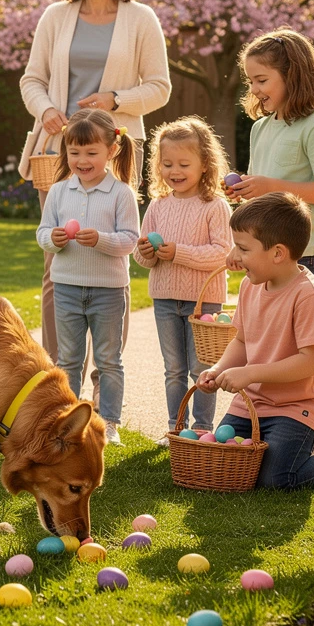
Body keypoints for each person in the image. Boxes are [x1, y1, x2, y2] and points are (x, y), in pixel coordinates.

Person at [18, 0, 171, 378]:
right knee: (57, 258)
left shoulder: (140, 18)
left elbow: (160, 87)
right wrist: (46, 110)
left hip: (118, 150)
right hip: (58, 153)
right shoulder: (55, 17)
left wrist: (116, 100)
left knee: (112, 255)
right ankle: (56, 375)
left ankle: (109, 375)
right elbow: (32, 79)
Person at [197, 193, 314, 496]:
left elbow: (309, 363)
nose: (236, 256)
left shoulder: (309, 296)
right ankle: (304, 452)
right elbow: (243, 341)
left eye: (243, 248)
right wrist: (219, 369)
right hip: (253, 403)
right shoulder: (250, 286)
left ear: (277, 253)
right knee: (231, 464)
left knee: (276, 481)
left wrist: (251, 373)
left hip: (298, 407)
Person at [36, 109, 140, 446]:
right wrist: (53, 238)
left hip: (108, 290)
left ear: (111, 151)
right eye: (74, 152)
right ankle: (66, 419)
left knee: (109, 359)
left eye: (91, 153)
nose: (82, 160)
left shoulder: (121, 193)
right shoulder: (59, 191)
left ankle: (108, 421)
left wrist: (101, 240)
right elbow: (41, 232)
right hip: (66, 286)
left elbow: (129, 240)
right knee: (68, 358)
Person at [132, 117, 233, 445]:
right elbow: (142, 257)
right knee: (173, 369)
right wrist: (146, 250)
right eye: (167, 163)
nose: (174, 171)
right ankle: (176, 427)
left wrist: (177, 253)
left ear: (205, 164)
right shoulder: (159, 206)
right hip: (164, 299)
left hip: (204, 301)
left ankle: (202, 428)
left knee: (202, 369)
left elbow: (222, 254)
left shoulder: (214, 206)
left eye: (184, 164)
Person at [228, 29, 314, 282]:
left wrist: (270, 187)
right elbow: (261, 193)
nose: (254, 89)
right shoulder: (260, 129)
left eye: (261, 80)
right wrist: (246, 190)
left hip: (305, 251)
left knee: (299, 321)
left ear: (291, 76)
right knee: (269, 321)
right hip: (265, 252)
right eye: (250, 81)